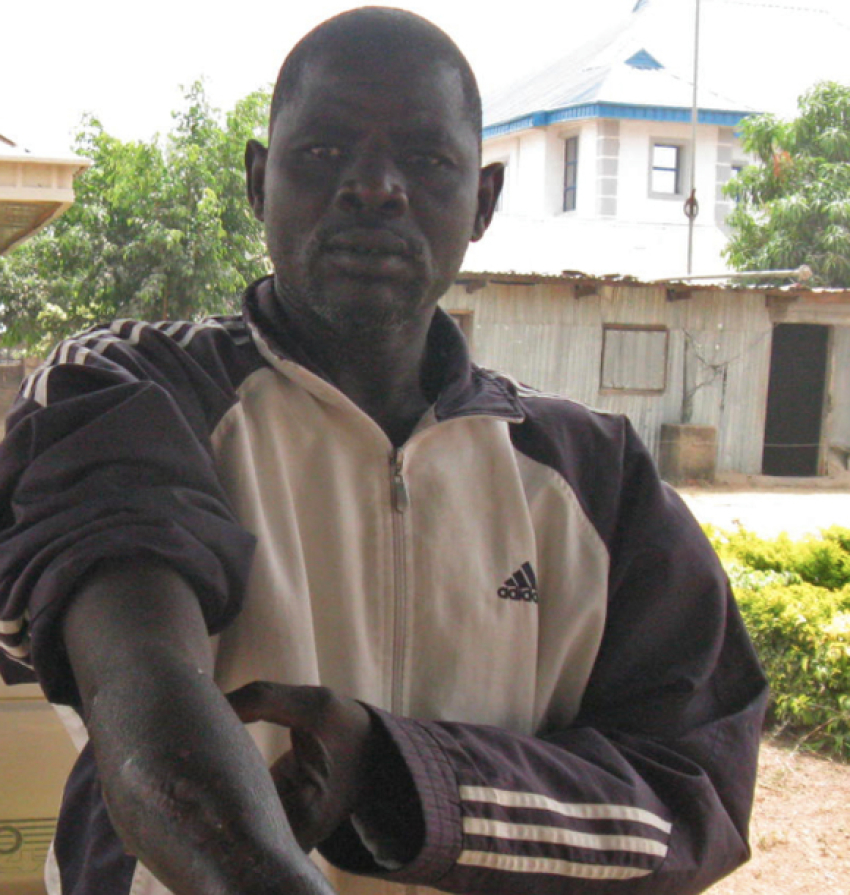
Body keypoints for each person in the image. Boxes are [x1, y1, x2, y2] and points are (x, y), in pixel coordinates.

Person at [0, 7, 767, 895]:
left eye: (427, 159)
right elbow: (143, 695)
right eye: (323, 152)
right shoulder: (130, 393)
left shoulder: (600, 478)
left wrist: (403, 777)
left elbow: (689, 799)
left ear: (482, 201)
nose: (374, 186)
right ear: (258, 180)